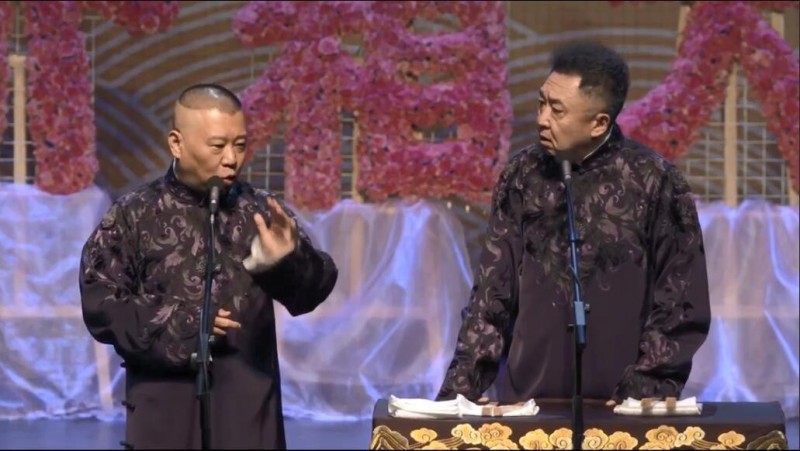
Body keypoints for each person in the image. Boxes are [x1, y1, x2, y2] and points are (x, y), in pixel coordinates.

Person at [437, 42, 711, 407]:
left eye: (557, 110)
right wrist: (461, 394)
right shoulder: (522, 175)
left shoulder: (655, 180)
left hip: (623, 402)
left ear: (599, 123)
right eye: (541, 103)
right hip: (529, 398)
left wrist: (646, 385)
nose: (542, 119)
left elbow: (681, 297)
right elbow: (492, 292)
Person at [79, 83, 338, 449]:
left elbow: (312, 292)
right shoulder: (134, 215)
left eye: (240, 145)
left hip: (247, 410)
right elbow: (101, 306)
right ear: (177, 143)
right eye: (217, 146)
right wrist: (187, 322)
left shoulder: (259, 211)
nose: (231, 158)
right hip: (163, 412)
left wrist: (285, 261)